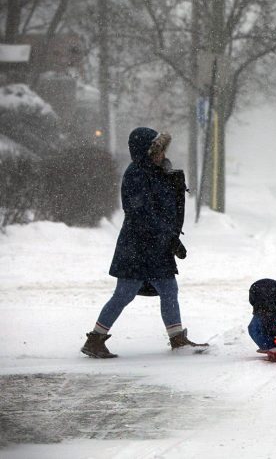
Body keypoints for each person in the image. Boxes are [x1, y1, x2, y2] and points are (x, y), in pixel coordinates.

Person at [81, 127, 208, 358]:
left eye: (162, 150)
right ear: (147, 152)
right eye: (158, 150)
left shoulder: (155, 171)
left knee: (169, 289)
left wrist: (176, 188)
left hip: (154, 246)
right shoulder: (136, 174)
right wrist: (169, 238)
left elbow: (165, 207)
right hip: (137, 248)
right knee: (124, 294)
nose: (162, 155)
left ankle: (177, 338)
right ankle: (95, 340)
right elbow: (143, 214)